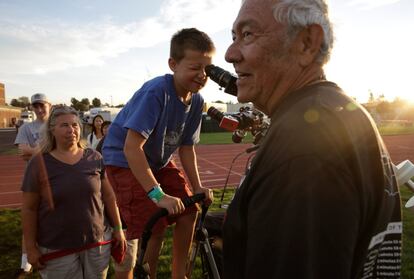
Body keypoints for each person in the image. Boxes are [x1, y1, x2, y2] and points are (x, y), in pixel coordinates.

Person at [222, 0, 402, 278]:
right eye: (234, 37)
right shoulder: (338, 110)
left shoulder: (303, 146)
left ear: (307, 43)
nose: (230, 54)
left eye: (248, 34)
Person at [102, 28, 215, 279]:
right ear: (173, 64)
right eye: (195, 67)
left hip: (157, 161)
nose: (202, 75)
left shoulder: (196, 101)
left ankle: (178, 275)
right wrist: (158, 194)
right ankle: (148, 275)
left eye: (207, 69)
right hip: (124, 160)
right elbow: (131, 148)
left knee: (190, 210)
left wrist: (197, 186)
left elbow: (187, 148)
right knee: (155, 223)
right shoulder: (157, 92)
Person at [21, 105, 126, 278]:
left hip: (97, 244)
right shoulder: (38, 163)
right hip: (57, 248)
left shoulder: (94, 157)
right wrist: (30, 248)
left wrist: (118, 228)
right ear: (52, 130)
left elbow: (108, 196)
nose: (71, 130)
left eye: (75, 125)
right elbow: (29, 209)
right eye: (64, 125)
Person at [14, 93, 51, 274]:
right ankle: (26, 256)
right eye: (35, 106)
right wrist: (46, 149)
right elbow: (23, 153)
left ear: (48, 105)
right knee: (30, 217)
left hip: (55, 177)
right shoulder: (26, 128)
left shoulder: (55, 125)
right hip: (34, 179)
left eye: (41, 105)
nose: (38, 109)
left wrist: (34, 150)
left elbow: (63, 148)